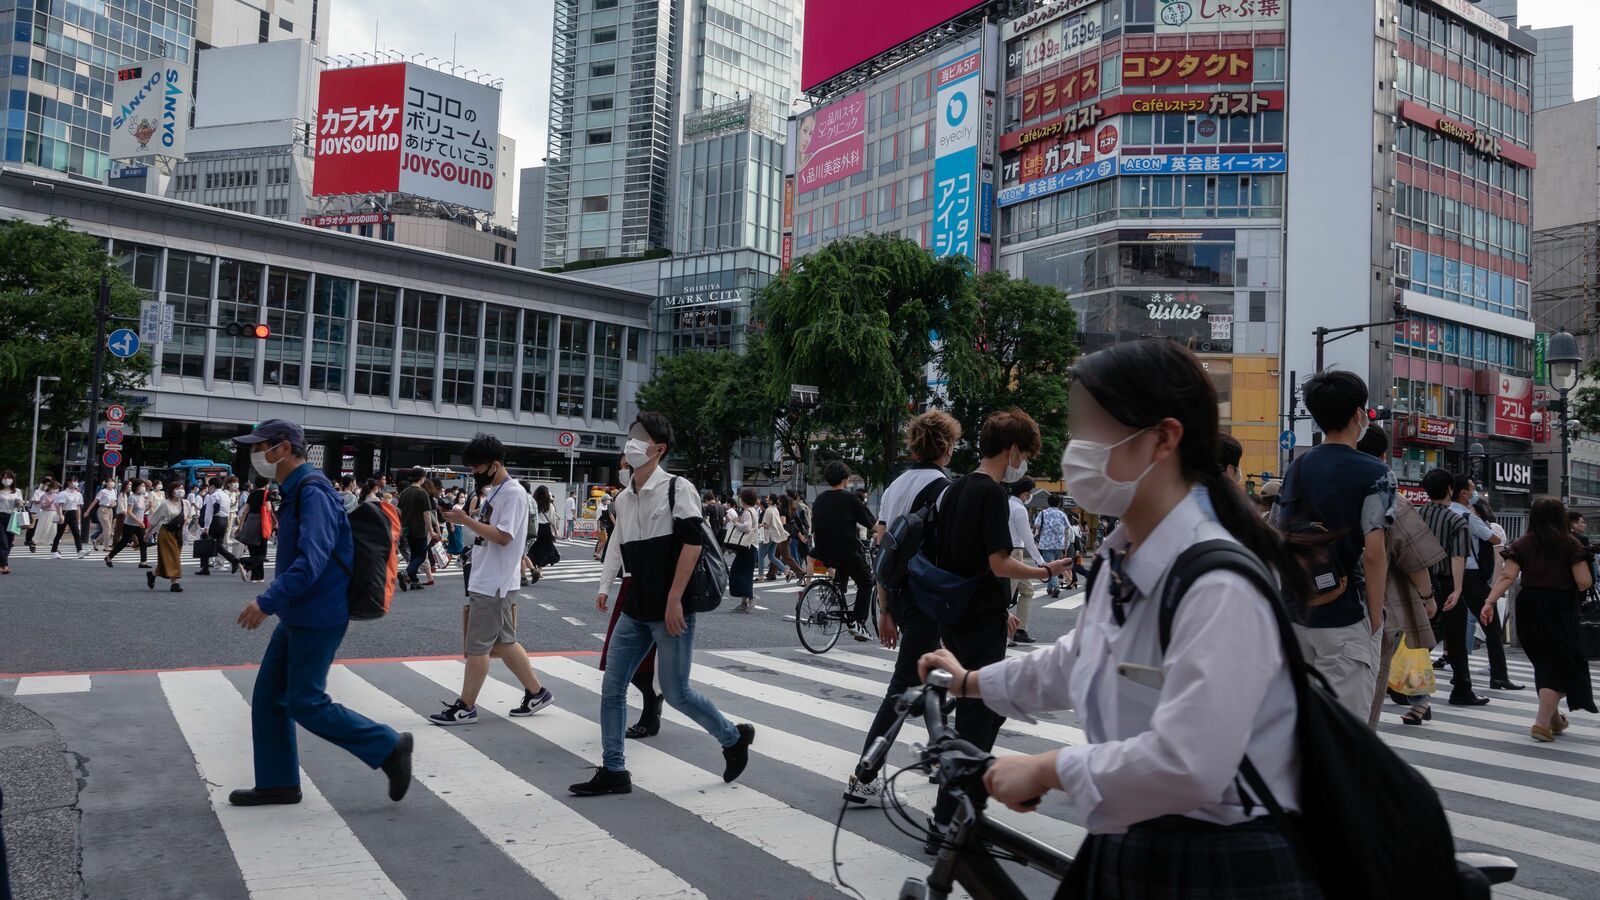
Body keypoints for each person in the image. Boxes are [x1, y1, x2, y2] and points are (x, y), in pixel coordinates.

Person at [917, 339, 1319, 897]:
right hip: (1135, 836)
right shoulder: (1126, 552)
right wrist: (969, 682)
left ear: (1163, 438)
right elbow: (1079, 659)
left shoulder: (1218, 580)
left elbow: (1191, 761)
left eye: (1093, 429)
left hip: (1217, 861)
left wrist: (1048, 768)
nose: (1074, 450)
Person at [227, 419, 412, 807]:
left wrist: (265, 602)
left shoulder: (314, 492)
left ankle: (388, 746)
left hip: (318, 613)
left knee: (305, 701)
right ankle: (278, 782)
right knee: (268, 698)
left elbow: (312, 561)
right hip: (300, 613)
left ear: (283, 448)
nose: (256, 454)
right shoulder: (295, 490)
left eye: (261, 446)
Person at [573, 412, 755, 797]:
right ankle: (614, 769)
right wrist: (605, 585)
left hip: (671, 606)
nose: (631, 443)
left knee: (677, 693)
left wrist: (675, 599)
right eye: (630, 435)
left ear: (659, 448)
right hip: (636, 604)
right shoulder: (623, 498)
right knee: (612, 687)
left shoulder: (677, 488)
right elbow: (618, 544)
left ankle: (732, 738)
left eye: (640, 437)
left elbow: (693, 544)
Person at [917, 409, 1071, 852]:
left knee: (982, 713)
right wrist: (1044, 571)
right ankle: (950, 824)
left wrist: (997, 605)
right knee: (978, 719)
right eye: (1027, 454)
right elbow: (999, 563)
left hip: (958, 613)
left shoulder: (956, 487)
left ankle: (957, 818)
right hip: (977, 620)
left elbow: (958, 562)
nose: (1026, 462)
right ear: (1014, 450)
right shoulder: (990, 494)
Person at [846, 410, 959, 807]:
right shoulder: (947, 488)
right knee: (903, 686)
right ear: (946, 445)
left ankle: (940, 757)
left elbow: (884, 547)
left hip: (901, 591)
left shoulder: (896, 486)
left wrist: (885, 606)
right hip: (932, 594)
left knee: (938, 675)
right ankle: (863, 774)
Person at [1272, 369, 1392, 720]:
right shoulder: (1375, 472)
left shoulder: (1298, 465)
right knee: (1345, 731)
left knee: (1299, 725)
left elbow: (1279, 530)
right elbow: (1374, 552)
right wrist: (1373, 618)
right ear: (1358, 414)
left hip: (1296, 611)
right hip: (1344, 615)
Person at [427, 436, 556, 725]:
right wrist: (463, 516)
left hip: (494, 580)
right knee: (504, 642)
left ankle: (466, 707)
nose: (474, 472)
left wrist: (465, 521)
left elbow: (503, 535)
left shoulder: (511, 493)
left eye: (477, 467)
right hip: (494, 577)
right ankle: (537, 693)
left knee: (478, 646)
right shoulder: (497, 491)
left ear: (495, 465)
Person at [1484, 497, 1597, 741]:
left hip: (1528, 606)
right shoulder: (1571, 544)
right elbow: (1583, 582)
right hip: (1561, 608)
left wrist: (1489, 602)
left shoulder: (1522, 544)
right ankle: (1541, 723)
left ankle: (1555, 719)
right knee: (1565, 665)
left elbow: (1507, 576)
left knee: (1545, 662)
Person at [1355, 426, 1441, 727]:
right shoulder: (1390, 498)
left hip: (1316, 605)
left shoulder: (1315, 484)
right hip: (1375, 609)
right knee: (1369, 688)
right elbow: (1415, 557)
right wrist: (1428, 596)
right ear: (1382, 457)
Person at [1415, 468, 1488, 706]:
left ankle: (1403, 679)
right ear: (1450, 490)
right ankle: (1461, 689)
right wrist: (1457, 589)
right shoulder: (1456, 520)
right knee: (1454, 636)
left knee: (1419, 632)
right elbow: (1458, 557)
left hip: (1418, 582)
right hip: (1445, 582)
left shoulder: (1417, 514)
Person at [1441, 474, 1514, 690]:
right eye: (1473, 489)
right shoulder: (1467, 516)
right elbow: (1495, 539)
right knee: (1491, 625)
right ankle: (1499, 676)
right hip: (1471, 575)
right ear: (1463, 493)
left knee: (1446, 627)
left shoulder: (1441, 513)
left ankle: (1456, 674)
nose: (1475, 493)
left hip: (1444, 573)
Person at [811, 461, 876, 638]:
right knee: (866, 581)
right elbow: (871, 523)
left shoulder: (819, 499)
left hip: (823, 551)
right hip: (845, 551)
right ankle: (859, 622)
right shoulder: (849, 499)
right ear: (845, 479)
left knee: (842, 576)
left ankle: (838, 597)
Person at [1006, 477, 1046, 646]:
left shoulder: (1005, 504)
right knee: (1005, 596)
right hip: (1015, 552)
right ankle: (1005, 635)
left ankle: (1019, 630)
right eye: (1029, 493)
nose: (1029, 496)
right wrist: (1040, 562)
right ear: (1024, 493)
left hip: (1008, 551)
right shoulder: (1019, 509)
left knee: (1027, 590)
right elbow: (1028, 538)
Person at [144, 480, 188, 592]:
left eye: (182, 488)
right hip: (167, 533)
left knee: (168, 559)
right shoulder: (165, 504)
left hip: (179, 533)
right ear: (172, 491)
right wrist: (147, 533)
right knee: (174, 558)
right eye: (178, 489)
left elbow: (189, 517)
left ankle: (153, 574)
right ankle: (175, 584)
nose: (181, 491)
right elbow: (154, 520)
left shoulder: (185, 503)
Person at [396, 468, 435, 591]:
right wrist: (431, 530)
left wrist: (402, 526)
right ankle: (406, 572)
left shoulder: (404, 492)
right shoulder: (422, 493)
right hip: (419, 528)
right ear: (422, 478)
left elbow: (399, 511)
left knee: (414, 553)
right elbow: (426, 514)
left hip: (407, 528)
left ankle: (414, 581)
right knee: (422, 555)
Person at [198, 477, 242, 576]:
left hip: (215, 521)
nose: (208, 487)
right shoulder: (225, 495)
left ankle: (205, 568)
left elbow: (209, 512)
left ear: (212, 486)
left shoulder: (213, 496)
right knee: (218, 545)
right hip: (225, 521)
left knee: (206, 542)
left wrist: (206, 526)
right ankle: (232, 559)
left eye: (209, 485)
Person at [727, 487, 760, 612]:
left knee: (738, 573)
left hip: (748, 547)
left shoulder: (747, 512)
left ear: (743, 499)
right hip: (751, 547)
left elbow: (746, 528)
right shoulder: (753, 510)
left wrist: (736, 523)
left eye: (740, 497)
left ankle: (751, 597)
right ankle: (743, 602)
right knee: (743, 573)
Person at [105, 479, 151, 569]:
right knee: (123, 542)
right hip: (130, 524)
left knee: (143, 542)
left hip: (139, 524)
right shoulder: (132, 497)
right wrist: (139, 521)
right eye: (141, 486)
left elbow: (141, 511)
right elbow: (129, 512)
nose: (143, 488)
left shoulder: (142, 497)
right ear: (136, 487)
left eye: (143, 486)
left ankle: (143, 562)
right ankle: (109, 557)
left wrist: (149, 507)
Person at [235, 478, 272, 583]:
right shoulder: (266, 493)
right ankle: (243, 563)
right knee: (262, 553)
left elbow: (245, 510)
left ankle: (257, 577)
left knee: (254, 551)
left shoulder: (252, 494)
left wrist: (240, 526)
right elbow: (268, 509)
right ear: (266, 484)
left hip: (250, 522)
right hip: (261, 523)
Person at [1036, 493, 1071, 599]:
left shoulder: (1043, 513)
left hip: (1046, 544)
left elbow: (1037, 526)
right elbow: (1067, 529)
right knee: (1055, 567)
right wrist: (1066, 545)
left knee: (1049, 566)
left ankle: (1055, 587)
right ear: (1058, 503)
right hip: (1059, 544)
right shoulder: (1062, 514)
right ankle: (1050, 588)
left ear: (1048, 502)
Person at [527, 484, 561, 580]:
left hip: (535, 528)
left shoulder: (533, 503)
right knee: (545, 550)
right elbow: (552, 519)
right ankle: (540, 570)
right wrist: (555, 529)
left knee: (533, 549)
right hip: (546, 529)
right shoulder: (550, 505)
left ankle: (533, 568)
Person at [51, 477, 85, 558]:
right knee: (60, 533)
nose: (75, 483)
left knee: (76, 532)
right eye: (74, 481)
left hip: (73, 514)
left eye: (76, 481)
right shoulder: (63, 493)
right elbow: (60, 506)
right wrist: (60, 515)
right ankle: (54, 551)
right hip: (65, 513)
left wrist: (79, 519)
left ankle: (79, 550)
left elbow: (78, 507)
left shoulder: (78, 494)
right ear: (69, 483)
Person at [88, 476, 117, 552]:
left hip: (110, 510)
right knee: (107, 529)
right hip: (103, 509)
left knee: (109, 531)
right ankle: (106, 547)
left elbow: (114, 501)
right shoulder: (103, 491)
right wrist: (88, 511)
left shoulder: (114, 491)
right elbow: (95, 502)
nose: (112, 483)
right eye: (110, 482)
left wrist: (113, 504)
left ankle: (96, 541)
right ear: (106, 483)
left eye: (112, 481)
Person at [0, 471, 21, 575]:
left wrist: (19, 503)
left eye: (9, 478)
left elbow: (20, 503)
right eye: (4, 477)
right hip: (0, 516)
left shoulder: (17, 491)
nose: (6, 480)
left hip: (12, 517)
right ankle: (5, 565)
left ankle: (2, 564)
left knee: (9, 542)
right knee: (3, 542)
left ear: (12, 479)